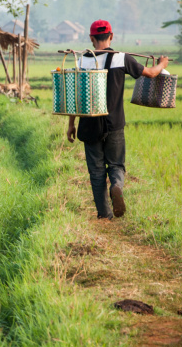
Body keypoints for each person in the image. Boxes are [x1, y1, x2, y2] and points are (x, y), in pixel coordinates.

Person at [66, 19, 169, 220]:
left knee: (96, 172)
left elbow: (75, 97)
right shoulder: (122, 58)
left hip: (89, 125)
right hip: (114, 124)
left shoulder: (82, 61)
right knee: (116, 165)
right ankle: (116, 186)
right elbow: (150, 73)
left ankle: (104, 215)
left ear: (91, 38)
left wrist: (71, 124)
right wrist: (162, 63)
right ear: (111, 36)